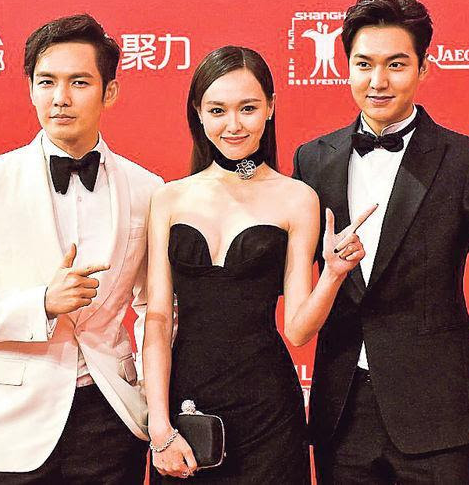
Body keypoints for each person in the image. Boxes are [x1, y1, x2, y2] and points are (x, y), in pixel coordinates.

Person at [292, 0, 469, 483]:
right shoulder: (312, 160)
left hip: (437, 412)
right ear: (346, 67)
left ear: (423, 69)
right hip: (342, 411)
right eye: (364, 64)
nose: (377, 81)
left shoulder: (465, 160)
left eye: (396, 65)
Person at [0, 13, 162, 483]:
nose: (60, 98)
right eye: (46, 82)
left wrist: (151, 403)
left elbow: (155, 311)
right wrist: (42, 303)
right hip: (10, 424)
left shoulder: (148, 189)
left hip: (111, 418)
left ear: (110, 92)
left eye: (79, 82)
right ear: (30, 90)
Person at [140, 46, 376, 483]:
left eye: (247, 108)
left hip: (268, 411)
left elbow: (298, 330)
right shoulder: (168, 198)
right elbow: (156, 317)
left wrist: (332, 274)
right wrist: (159, 425)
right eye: (218, 110)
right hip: (184, 408)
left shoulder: (297, 198)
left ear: (270, 107)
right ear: (198, 113)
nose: (233, 125)